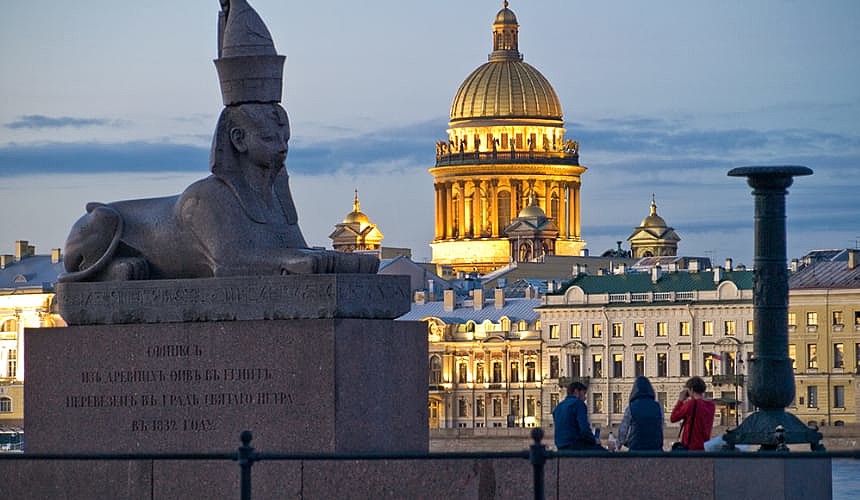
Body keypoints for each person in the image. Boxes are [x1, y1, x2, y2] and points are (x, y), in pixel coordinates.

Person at [617, 376, 664, 451]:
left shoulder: (631, 408)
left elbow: (623, 430)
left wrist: (619, 444)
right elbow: (661, 427)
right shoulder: (659, 407)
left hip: (636, 448)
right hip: (656, 449)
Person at [670, 376, 716, 451]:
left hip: (691, 447)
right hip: (704, 446)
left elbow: (673, 418)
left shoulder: (691, 404)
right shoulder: (711, 405)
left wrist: (680, 400)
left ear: (691, 389)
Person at [553, 382, 602, 450]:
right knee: (605, 454)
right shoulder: (578, 403)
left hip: (560, 447)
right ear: (576, 391)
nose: (585, 398)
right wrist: (594, 440)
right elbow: (584, 430)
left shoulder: (558, 407)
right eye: (584, 393)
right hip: (575, 445)